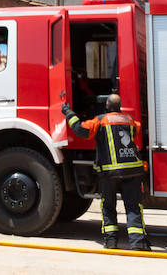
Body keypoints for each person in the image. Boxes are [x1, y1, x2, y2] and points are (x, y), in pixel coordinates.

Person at [61, 93, 151, 251]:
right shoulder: (129, 120)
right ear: (119, 106)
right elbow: (138, 130)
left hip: (110, 173)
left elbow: (80, 130)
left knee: (108, 206)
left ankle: (111, 242)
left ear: (107, 106)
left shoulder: (100, 120)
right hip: (132, 171)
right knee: (133, 207)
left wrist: (69, 113)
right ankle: (138, 243)